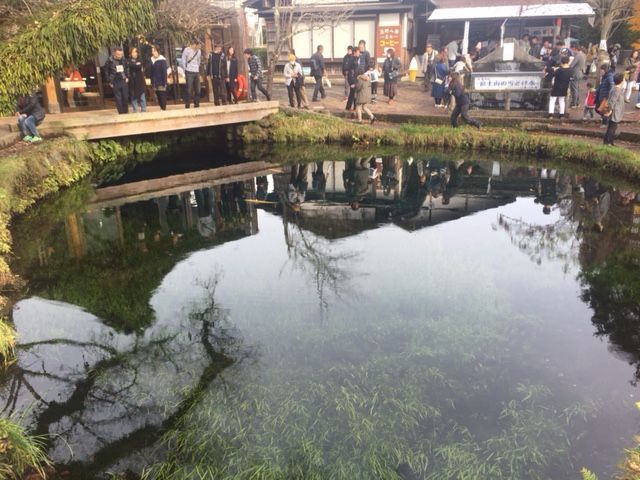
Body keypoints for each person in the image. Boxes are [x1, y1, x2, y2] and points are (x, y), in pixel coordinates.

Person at [104, 47, 129, 114]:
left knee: (125, 97)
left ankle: (126, 112)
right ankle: (121, 112)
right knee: (118, 98)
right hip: (115, 81)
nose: (120, 56)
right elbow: (106, 71)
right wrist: (109, 81)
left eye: (121, 54)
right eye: (118, 54)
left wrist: (127, 77)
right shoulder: (109, 60)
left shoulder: (123, 59)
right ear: (114, 54)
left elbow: (127, 68)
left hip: (123, 80)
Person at [603, 73, 625, 146]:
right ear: (621, 81)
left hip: (616, 111)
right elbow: (612, 101)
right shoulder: (616, 90)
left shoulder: (615, 88)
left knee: (612, 127)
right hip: (615, 112)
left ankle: (610, 141)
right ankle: (608, 142)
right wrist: (609, 110)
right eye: (624, 79)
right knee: (612, 128)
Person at [181, 40, 202, 108]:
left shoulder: (199, 51)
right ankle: (187, 104)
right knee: (189, 89)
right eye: (197, 45)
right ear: (194, 44)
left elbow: (198, 61)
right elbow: (183, 60)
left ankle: (197, 104)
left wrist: (197, 68)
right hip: (189, 71)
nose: (198, 47)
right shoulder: (186, 50)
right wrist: (185, 70)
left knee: (198, 89)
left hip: (196, 71)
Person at [128, 48, 147, 113]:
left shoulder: (140, 60)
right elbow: (131, 65)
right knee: (133, 96)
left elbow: (139, 66)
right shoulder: (128, 61)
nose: (135, 53)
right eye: (133, 52)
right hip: (132, 81)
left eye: (136, 52)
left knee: (142, 96)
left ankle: (144, 110)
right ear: (131, 54)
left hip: (140, 81)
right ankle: (135, 110)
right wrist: (136, 65)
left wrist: (135, 65)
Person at [150, 45, 168, 111]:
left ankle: (163, 109)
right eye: (152, 51)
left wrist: (164, 82)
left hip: (161, 81)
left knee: (162, 95)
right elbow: (151, 71)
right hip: (155, 81)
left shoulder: (162, 60)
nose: (153, 53)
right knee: (158, 95)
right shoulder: (151, 59)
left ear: (158, 51)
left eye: (154, 51)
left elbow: (164, 72)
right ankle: (161, 108)